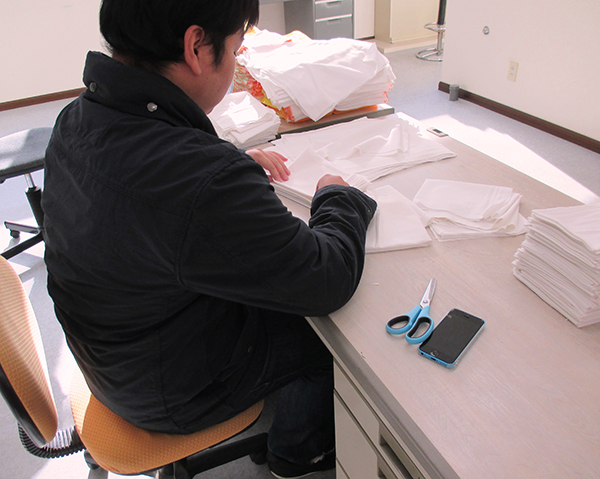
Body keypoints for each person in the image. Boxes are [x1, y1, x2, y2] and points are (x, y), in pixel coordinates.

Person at [42, 0, 377, 477]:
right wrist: (337, 196)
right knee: (335, 340)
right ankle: (296, 451)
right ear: (197, 46)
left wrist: (225, 163)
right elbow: (327, 278)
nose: (236, 64)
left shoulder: (77, 118)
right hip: (168, 392)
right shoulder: (200, 179)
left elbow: (152, 192)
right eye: (236, 50)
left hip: (110, 356)